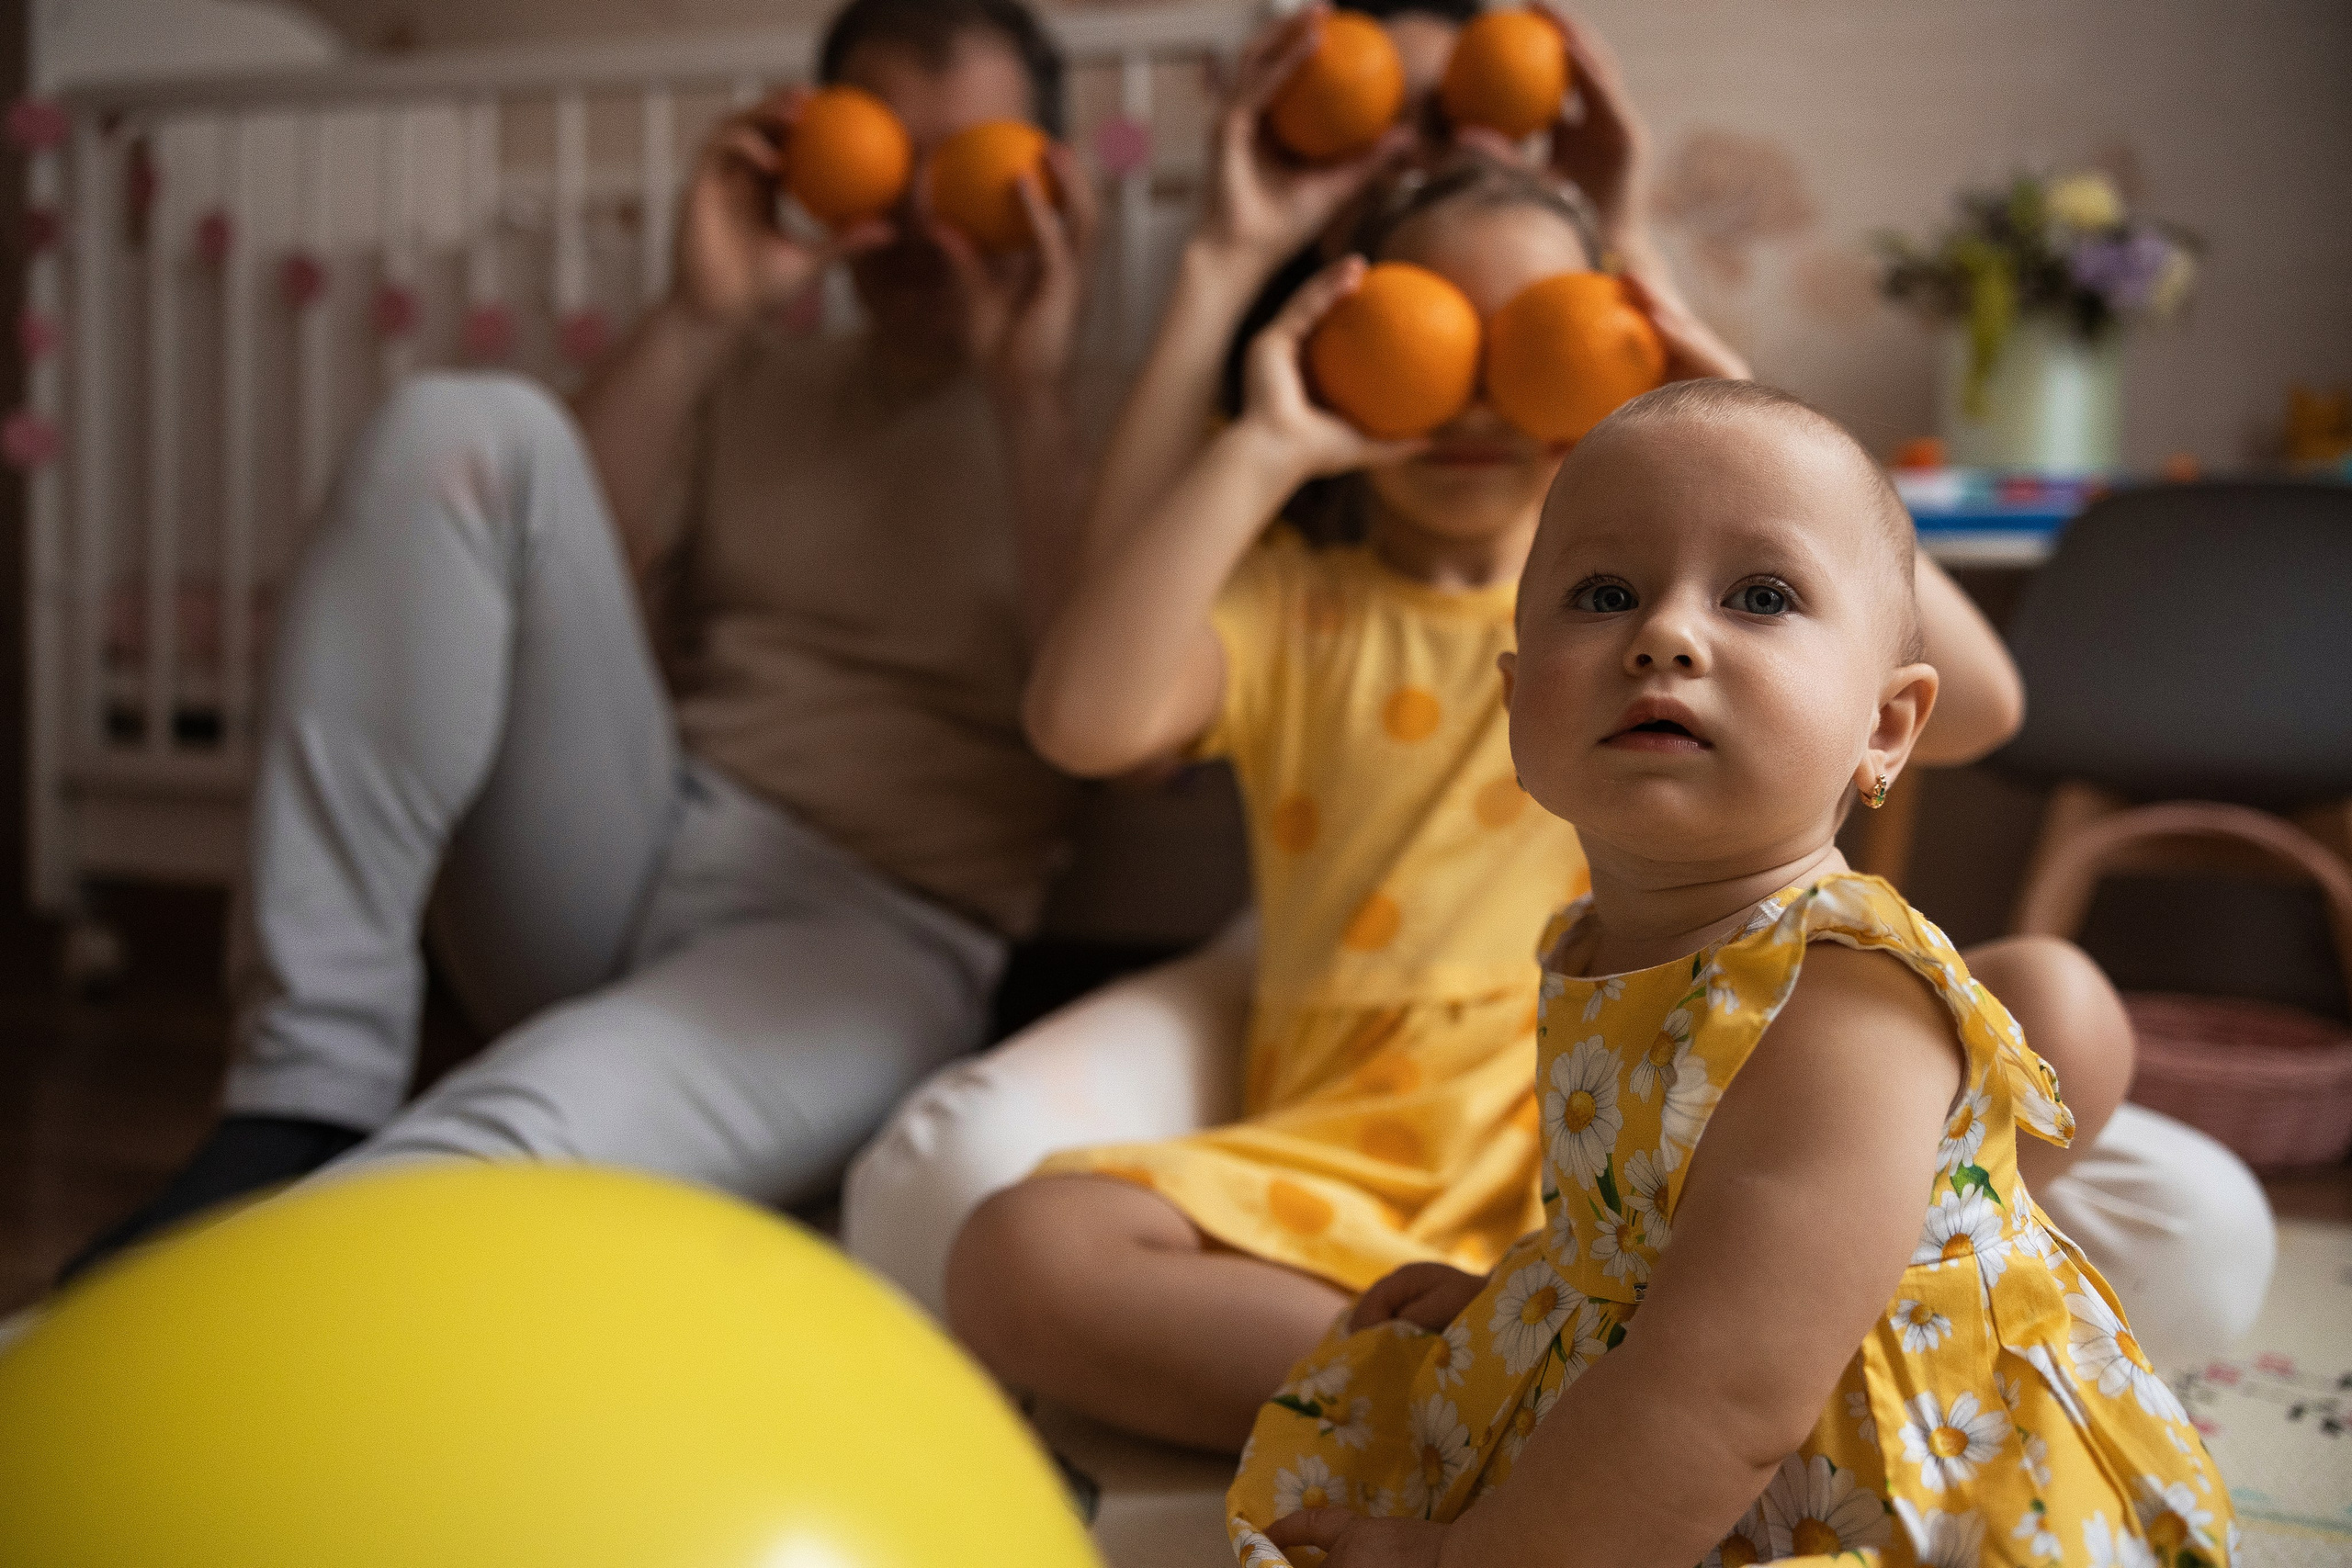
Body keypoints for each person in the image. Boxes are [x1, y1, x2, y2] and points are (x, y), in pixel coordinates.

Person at [842, 6, 2271, 1392]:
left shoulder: (1659, 600)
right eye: (1428, 339)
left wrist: (1698, 366)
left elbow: (1974, 705)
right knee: (1023, 1253)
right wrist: (1270, 440)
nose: (1470, 398)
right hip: (1368, 1143)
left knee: (2062, 1029)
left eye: (1531, 340)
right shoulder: (1296, 601)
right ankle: (1536, 1397)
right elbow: (1083, 722)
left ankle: (1679, 1363)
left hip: (1683, 1130)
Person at [65, 0, 1100, 1277]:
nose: (927, 221)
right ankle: (301, 1090)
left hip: (868, 935)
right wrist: (702, 308)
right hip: (635, 839)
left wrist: (1027, 394)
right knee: (463, 425)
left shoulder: (1106, 420)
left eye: (971, 168)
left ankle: (104, 1357)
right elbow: (536, 562)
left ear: (1049, 185)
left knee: (501, 1153)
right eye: (888, 156)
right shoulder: (763, 381)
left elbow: (1103, 727)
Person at [1227, 379, 2233, 1568]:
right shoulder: (1604, 941)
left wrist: (1463, 1560)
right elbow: (1663, 1211)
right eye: (1605, 595)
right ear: (1513, 707)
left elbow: (1721, 1401)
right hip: (1702, 1376)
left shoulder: (1839, 1011)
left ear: (1887, 729)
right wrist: (1530, 1294)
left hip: (1857, 1483)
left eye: (1761, 596)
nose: (1665, 635)